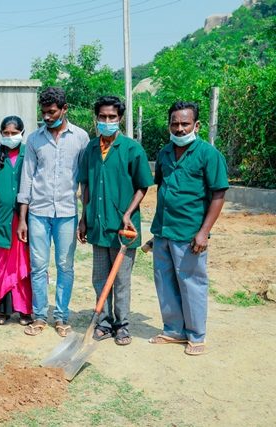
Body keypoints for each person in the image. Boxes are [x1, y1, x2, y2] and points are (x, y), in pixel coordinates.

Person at [149, 101, 228, 356]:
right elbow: (162, 189)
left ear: (197, 125)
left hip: (190, 233)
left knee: (191, 282)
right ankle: (173, 330)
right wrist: (156, 233)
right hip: (164, 231)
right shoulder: (164, 153)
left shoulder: (208, 154)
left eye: (185, 124)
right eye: (175, 123)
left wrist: (203, 232)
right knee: (165, 282)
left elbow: (218, 195)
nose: (180, 129)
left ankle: (196, 335)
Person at [78, 96, 154, 345]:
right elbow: (86, 185)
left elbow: (143, 186)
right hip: (98, 227)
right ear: (96, 118)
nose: (107, 121)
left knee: (121, 280)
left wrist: (128, 213)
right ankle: (103, 322)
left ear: (119, 119)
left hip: (124, 230)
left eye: (112, 117)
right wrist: (84, 218)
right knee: (100, 277)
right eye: (102, 117)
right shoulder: (90, 149)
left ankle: (122, 325)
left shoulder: (132, 149)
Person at [17, 87, 90, 337]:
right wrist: (23, 219)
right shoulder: (34, 139)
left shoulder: (81, 138)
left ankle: (61, 317)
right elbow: (26, 178)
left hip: (68, 213)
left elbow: (85, 181)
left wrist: (84, 217)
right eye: (44, 112)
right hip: (38, 211)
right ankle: (39, 316)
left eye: (52, 112)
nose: (47, 117)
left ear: (64, 109)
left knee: (64, 266)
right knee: (38, 266)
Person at [0, 116, 33, 326]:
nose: (10, 137)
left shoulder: (28, 155)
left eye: (14, 133)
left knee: (23, 264)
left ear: (22, 133)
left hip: (23, 221)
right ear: (1, 133)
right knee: (1, 265)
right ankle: (2, 310)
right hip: (0, 221)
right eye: (6, 133)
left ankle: (24, 310)